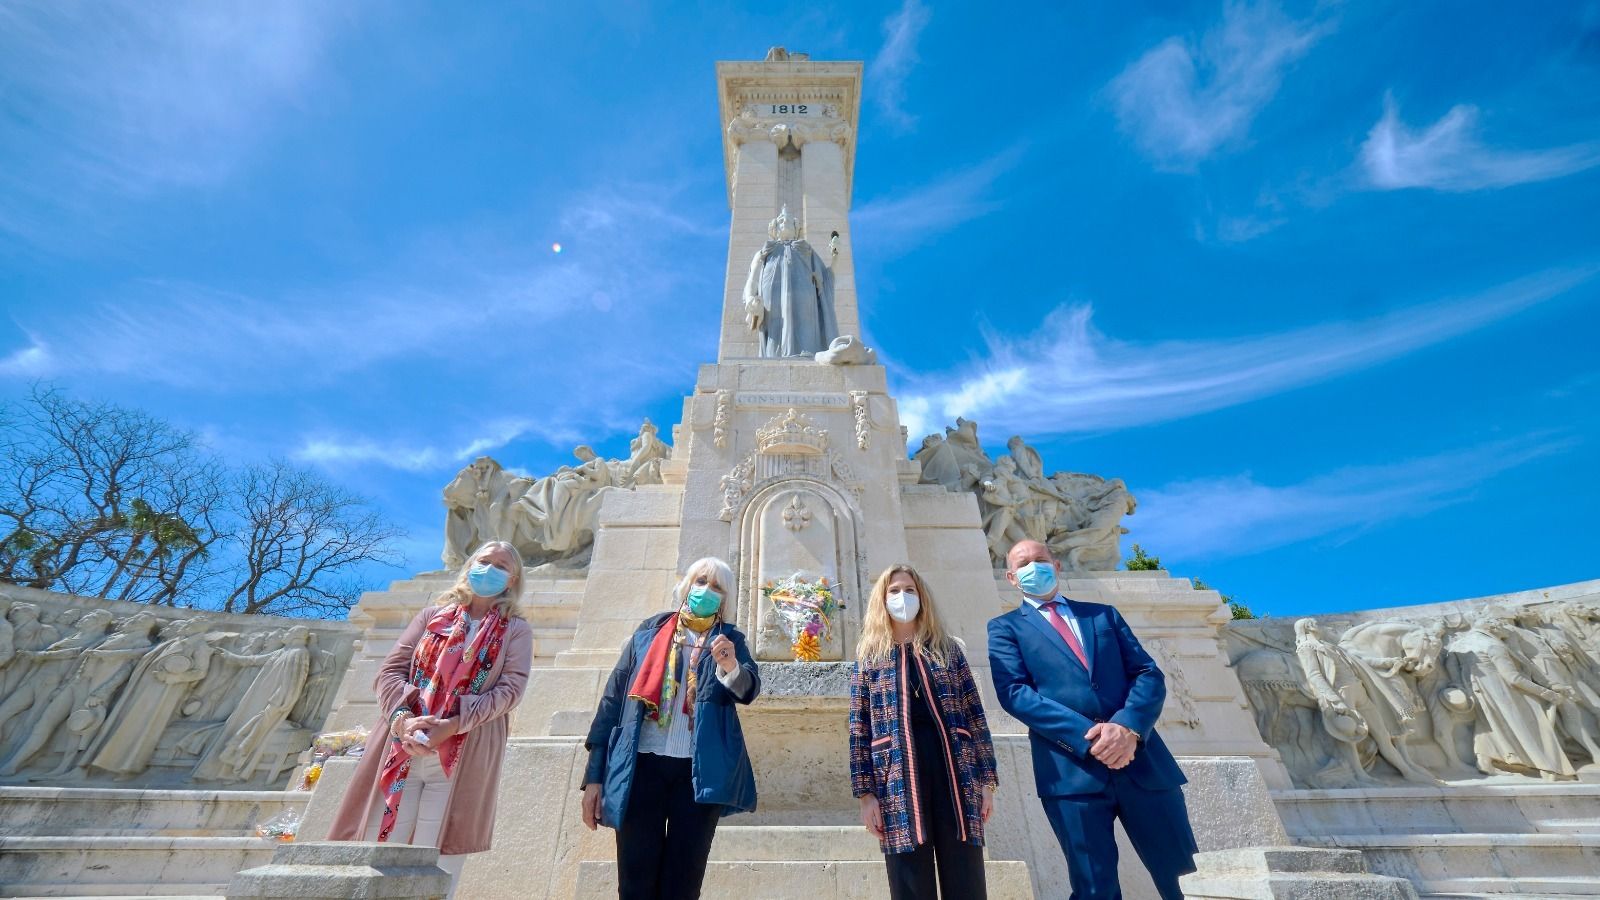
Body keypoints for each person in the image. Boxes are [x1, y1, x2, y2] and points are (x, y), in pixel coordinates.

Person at [987, 540, 1197, 900]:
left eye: (1040, 560)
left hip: (1142, 762)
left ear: (1057, 565)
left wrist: (1127, 728)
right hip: (1072, 775)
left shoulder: (1103, 615)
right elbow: (1015, 693)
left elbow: (1147, 674)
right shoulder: (1005, 628)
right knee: (1094, 889)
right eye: (1023, 564)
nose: (1033, 567)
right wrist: (1092, 736)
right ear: (1011, 577)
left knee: (1186, 878)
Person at [327, 540, 533, 899]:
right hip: (403, 744)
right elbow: (390, 672)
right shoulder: (429, 617)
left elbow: (510, 690)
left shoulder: (516, 630)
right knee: (380, 842)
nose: (489, 569)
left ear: (512, 579)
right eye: (484, 561)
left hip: (463, 748)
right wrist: (404, 719)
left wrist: (453, 724)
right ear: (469, 566)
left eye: (500, 565)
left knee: (438, 853)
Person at [580, 557, 760, 900]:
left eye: (717, 587)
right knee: (635, 882)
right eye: (701, 581)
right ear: (687, 585)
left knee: (683, 884)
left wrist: (730, 665)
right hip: (641, 768)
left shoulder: (729, 639)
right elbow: (612, 702)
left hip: (697, 774)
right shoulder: (650, 632)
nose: (706, 590)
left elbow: (749, 689)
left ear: (726, 598)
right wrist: (594, 777)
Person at [850, 564, 998, 899]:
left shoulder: (947, 650)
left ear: (922, 597)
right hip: (896, 775)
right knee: (910, 880)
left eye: (910, 590)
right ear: (882, 600)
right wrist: (865, 794)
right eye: (894, 590)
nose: (903, 597)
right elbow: (859, 729)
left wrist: (987, 782)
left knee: (966, 877)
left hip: (954, 772)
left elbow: (975, 716)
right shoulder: (870, 657)